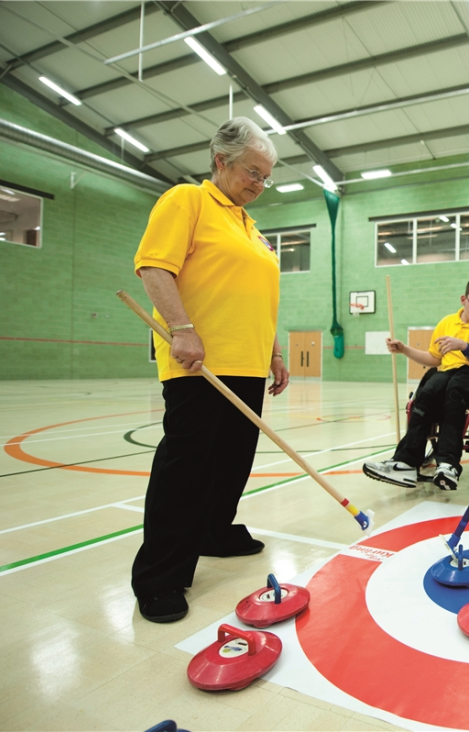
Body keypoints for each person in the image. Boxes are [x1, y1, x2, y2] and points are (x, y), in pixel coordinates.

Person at [130, 117, 289, 623]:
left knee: (232, 464)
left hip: (246, 362)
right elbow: (154, 266)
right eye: (252, 172)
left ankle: (214, 533)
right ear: (221, 161)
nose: (259, 185)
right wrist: (181, 327)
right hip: (199, 363)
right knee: (188, 469)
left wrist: (274, 352)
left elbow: (257, 295)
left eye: (266, 177)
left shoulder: (251, 226)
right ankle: (159, 576)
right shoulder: (187, 201)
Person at [363, 277, 469, 489]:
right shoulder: (446, 323)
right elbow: (433, 359)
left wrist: (464, 346)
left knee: (454, 393)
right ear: (464, 299)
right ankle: (406, 463)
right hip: (446, 371)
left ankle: (448, 464)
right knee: (426, 394)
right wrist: (404, 349)